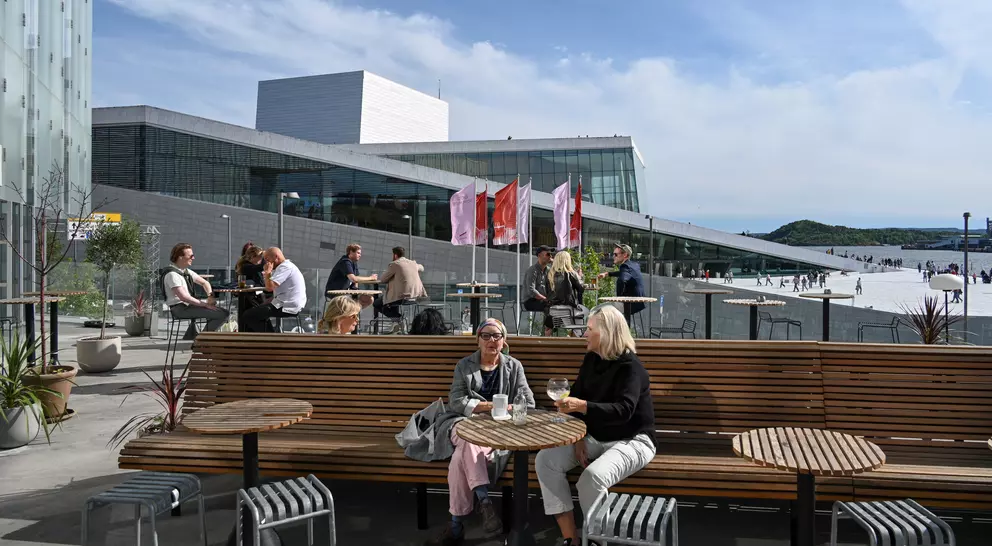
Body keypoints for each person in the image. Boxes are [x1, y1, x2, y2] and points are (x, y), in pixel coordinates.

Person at [535, 305, 656, 546]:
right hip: (593, 437)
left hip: (633, 440)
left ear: (607, 332)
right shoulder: (592, 359)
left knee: (591, 477)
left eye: (590, 329)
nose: (585, 333)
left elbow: (624, 411)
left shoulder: (630, 368)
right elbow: (577, 398)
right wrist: (579, 436)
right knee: (545, 460)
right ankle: (572, 538)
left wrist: (583, 406)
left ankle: (597, 541)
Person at [424, 319, 536, 546]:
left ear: (504, 342)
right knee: (467, 437)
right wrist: (491, 406)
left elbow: (529, 403)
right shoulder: (464, 366)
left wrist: (504, 409)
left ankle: (456, 525)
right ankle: (484, 502)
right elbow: (455, 402)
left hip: (496, 429)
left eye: (496, 336)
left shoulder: (514, 366)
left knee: (459, 459)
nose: (491, 341)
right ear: (478, 339)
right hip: (462, 423)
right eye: (486, 335)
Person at [162, 243, 228, 338]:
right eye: (191, 256)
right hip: (180, 309)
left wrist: (210, 296)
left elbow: (205, 283)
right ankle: (201, 340)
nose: (193, 258)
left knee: (222, 312)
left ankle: (202, 339)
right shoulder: (172, 274)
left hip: (187, 306)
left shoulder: (185, 271)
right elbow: (184, 297)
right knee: (222, 314)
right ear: (180, 257)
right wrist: (205, 305)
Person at [242, 247, 307, 332]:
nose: (266, 262)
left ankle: (271, 339)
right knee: (259, 312)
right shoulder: (286, 266)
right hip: (285, 303)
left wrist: (267, 272)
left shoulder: (285, 267)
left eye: (267, 259)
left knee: (248, 315)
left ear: (276, 257)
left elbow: (269, 287)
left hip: (288, 305)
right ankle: (270, 337)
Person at [373, 246, 427, 326]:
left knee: (377, 304)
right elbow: (422, 267)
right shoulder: (413, 263)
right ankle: (396, 324)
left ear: (395, 255)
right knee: (391, 300)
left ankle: (399, 319)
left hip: (401, 296)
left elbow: (383, 279)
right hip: (415, 296)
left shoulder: (395, 264)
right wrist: (416, 267)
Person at [597, 244, 646, 316]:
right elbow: (623, 273)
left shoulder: (624, 266)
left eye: (616, 254)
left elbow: (622, 280)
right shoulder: (634, 265)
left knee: (597, 311)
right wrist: (607, 273)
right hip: (639, 303)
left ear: (625, 255)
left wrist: (618, 299)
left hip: (628, 305)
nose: (613, 256)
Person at [545, 251, 585, 334]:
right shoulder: (571, 274)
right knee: (583, 313)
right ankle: (578, 336)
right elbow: (581, 289)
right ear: (567, 261)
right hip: (568, 308)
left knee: (549, 327)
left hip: (552, 309)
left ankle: (546, 342)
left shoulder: (549, 274)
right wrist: (580, 277)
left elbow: (547, 292)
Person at [234, 244, 267, 328]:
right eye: (259, 256)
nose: (261, 259)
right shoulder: (246, 266)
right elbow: (261, 267)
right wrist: (263, 256)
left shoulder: (251, 266)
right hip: (250, 298)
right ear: (253, 256)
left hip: (256, 296)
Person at [522, 246, 553, 313]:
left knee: (558, 305)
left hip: (542, 300)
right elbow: (531, 291)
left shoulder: (548, 270)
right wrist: (546, 299)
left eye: (550, 254)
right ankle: (548, 323)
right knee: (550, 307)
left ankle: (555, 323)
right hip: (530, 301)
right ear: (539, 256)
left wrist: (554, 264)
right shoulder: (532, 270)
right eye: (547, 254)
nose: (550, 256)